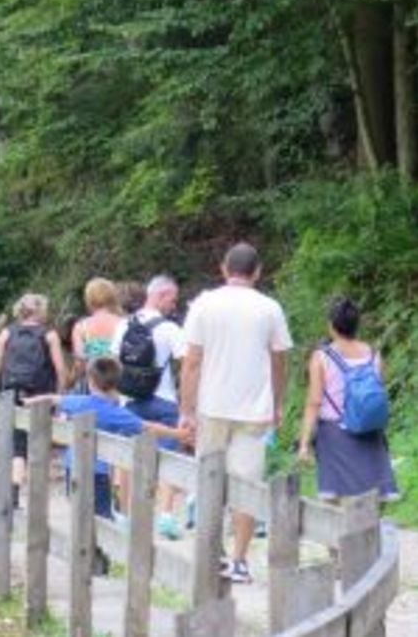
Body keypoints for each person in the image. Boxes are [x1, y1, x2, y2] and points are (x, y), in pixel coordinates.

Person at [179, 242, 293, 584]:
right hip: (253, 410)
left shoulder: (204, 304)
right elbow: (279, 361)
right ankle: (240, 560)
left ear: (224, 269)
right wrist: (277, 403)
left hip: (211, 406)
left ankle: (211, 554)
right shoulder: (269, 308)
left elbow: (192, 361)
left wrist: (186, 409)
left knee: (209, 478)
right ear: (258, 271)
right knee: (246, 482)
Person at [27, 358, 187, 521]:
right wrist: (177, 433)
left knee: (79, 513)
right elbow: (149, 427)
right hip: (98, 473)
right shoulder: (115, 413)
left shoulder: (78, 402)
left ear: (90, 380)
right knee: (101, 518)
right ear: (117, 383)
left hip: (72, 466)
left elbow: (52, 398)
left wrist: (28, 402)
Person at [296, 298, 398, 502]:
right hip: (371, 434)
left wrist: (304, 443)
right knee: (372, 501)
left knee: (337, 503)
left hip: (335, 435)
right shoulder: (373, 354)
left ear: (332, 325)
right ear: (356, 325)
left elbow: (314, 402)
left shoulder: (322, 357)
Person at [112, 275, 188, 538]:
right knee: (170, 457)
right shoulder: (169, 329)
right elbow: (188, 363)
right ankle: (165, 516)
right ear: (161, 295)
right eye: (172, 299)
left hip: (130, 400)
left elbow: (114, 362)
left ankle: (124, 515)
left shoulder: (123, 325)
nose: (173, 306)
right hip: (164, 399)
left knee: (125, 456)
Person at [0, 294, 69, 505]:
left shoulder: (6, 333)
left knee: (18, 444)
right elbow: (60, 369)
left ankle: (14, 493)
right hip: (41, 394)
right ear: (41, 311)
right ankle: (37, 495)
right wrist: (60, 396)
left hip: (13, 392)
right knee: (41, 441)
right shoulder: (49, 335)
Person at [71, 278, 123, 392]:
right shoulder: (124, 323)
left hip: (92, 385)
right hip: (118, 384)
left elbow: (79, 363)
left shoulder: (81, 327)